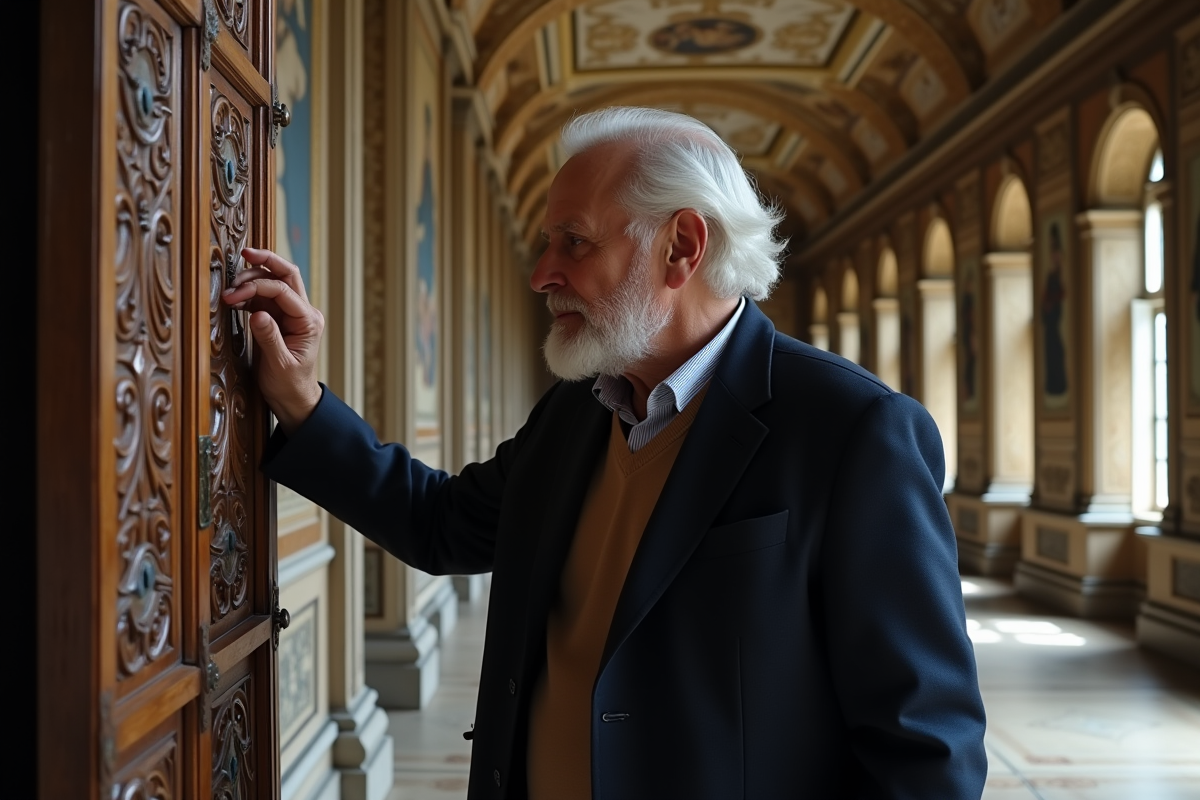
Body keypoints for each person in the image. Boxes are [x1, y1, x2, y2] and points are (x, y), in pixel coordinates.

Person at [225, 107, 987, 799]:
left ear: (682, 247)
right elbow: (444, 523)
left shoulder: (854, 431)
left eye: (574, 242)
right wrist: (298, 397)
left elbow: (926, 751)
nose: (541, 274)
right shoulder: (578, 409)